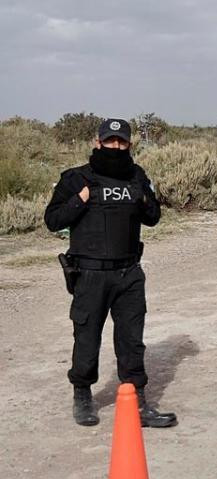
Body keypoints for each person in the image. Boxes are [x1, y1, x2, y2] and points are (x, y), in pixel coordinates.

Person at [44, 118, 178, 428]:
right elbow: (52, 220)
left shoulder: (137, 176)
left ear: (129, 144)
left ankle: (137, 401)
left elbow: (154, 217)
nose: (115, 147)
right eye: (110, 141)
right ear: (97, 141)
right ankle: (82, 394)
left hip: (129, 273)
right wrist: (80, 201)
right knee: (87, 337)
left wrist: (143, 198)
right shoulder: (76, 178)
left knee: (131, 340)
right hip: (90, 275)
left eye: (121, 142)